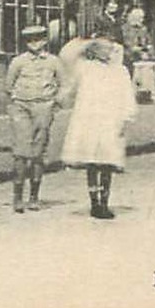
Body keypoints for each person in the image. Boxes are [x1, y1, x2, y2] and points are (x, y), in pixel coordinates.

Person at [60, 35, 138, 219]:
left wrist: (126, 117)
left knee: (107, 163)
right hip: (89, 120)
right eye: (102, 48)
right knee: (91, 162)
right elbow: (66, 55)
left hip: (110, 120)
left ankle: (104, 201)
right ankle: (94, 202)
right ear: (94, 51)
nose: (107, 52)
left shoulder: (120, 71)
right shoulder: (86, 68)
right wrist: (87, 42)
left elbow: (127, 95)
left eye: (110, 49)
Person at [6, 22, 65, 213]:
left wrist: (55, 103)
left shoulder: (53, 61)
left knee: (38, 152)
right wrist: (17, 104)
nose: (34, 43)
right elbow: (9, 85)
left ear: (45, 40)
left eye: (38, 39)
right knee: (21, 151)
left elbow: (64, 84)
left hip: (44, 106)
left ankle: (34, 196)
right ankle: (17, 197)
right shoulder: (18, 61)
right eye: (30, 40)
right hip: (22, 106)